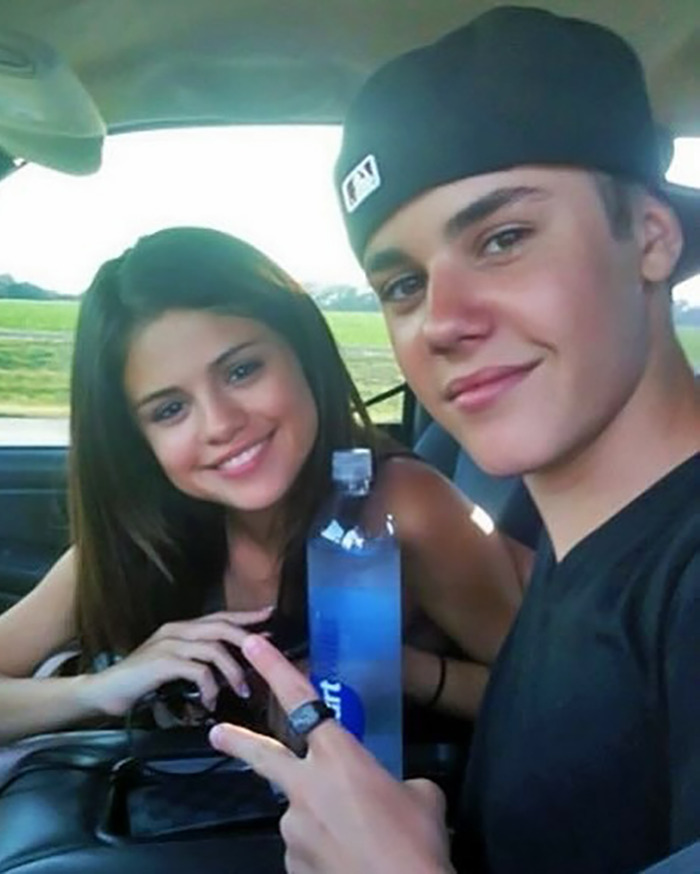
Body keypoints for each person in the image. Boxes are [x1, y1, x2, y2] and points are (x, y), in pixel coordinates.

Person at [209, 6, 700, 874]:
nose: (441, 321)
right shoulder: (574, 551)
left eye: (503, 239)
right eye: (401, 283)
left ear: (651, 239)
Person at [0, 226, 521, 745]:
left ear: (302, 353)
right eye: (170, 410)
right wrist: (102, 690)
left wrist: (400, 668)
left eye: (242, 370)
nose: (220, 423)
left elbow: (556, 695)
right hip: (183, 815)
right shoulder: (138, 539)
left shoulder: (400, 508)